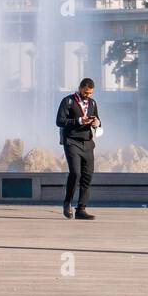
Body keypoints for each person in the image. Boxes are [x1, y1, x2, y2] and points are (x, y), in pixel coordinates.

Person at [56, 77, 102, 220]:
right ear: (80, 88)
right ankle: (67, 202)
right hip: (71, 141)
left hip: (88, 143)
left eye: (90, 93)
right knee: (75, 173)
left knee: (87, 176)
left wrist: (97, 123)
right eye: (86, 92)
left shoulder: (93, 103)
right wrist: (79, 120)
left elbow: (99, 122)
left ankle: (81, 209)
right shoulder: (68, 101)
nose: (88, 95)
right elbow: (59, 121)